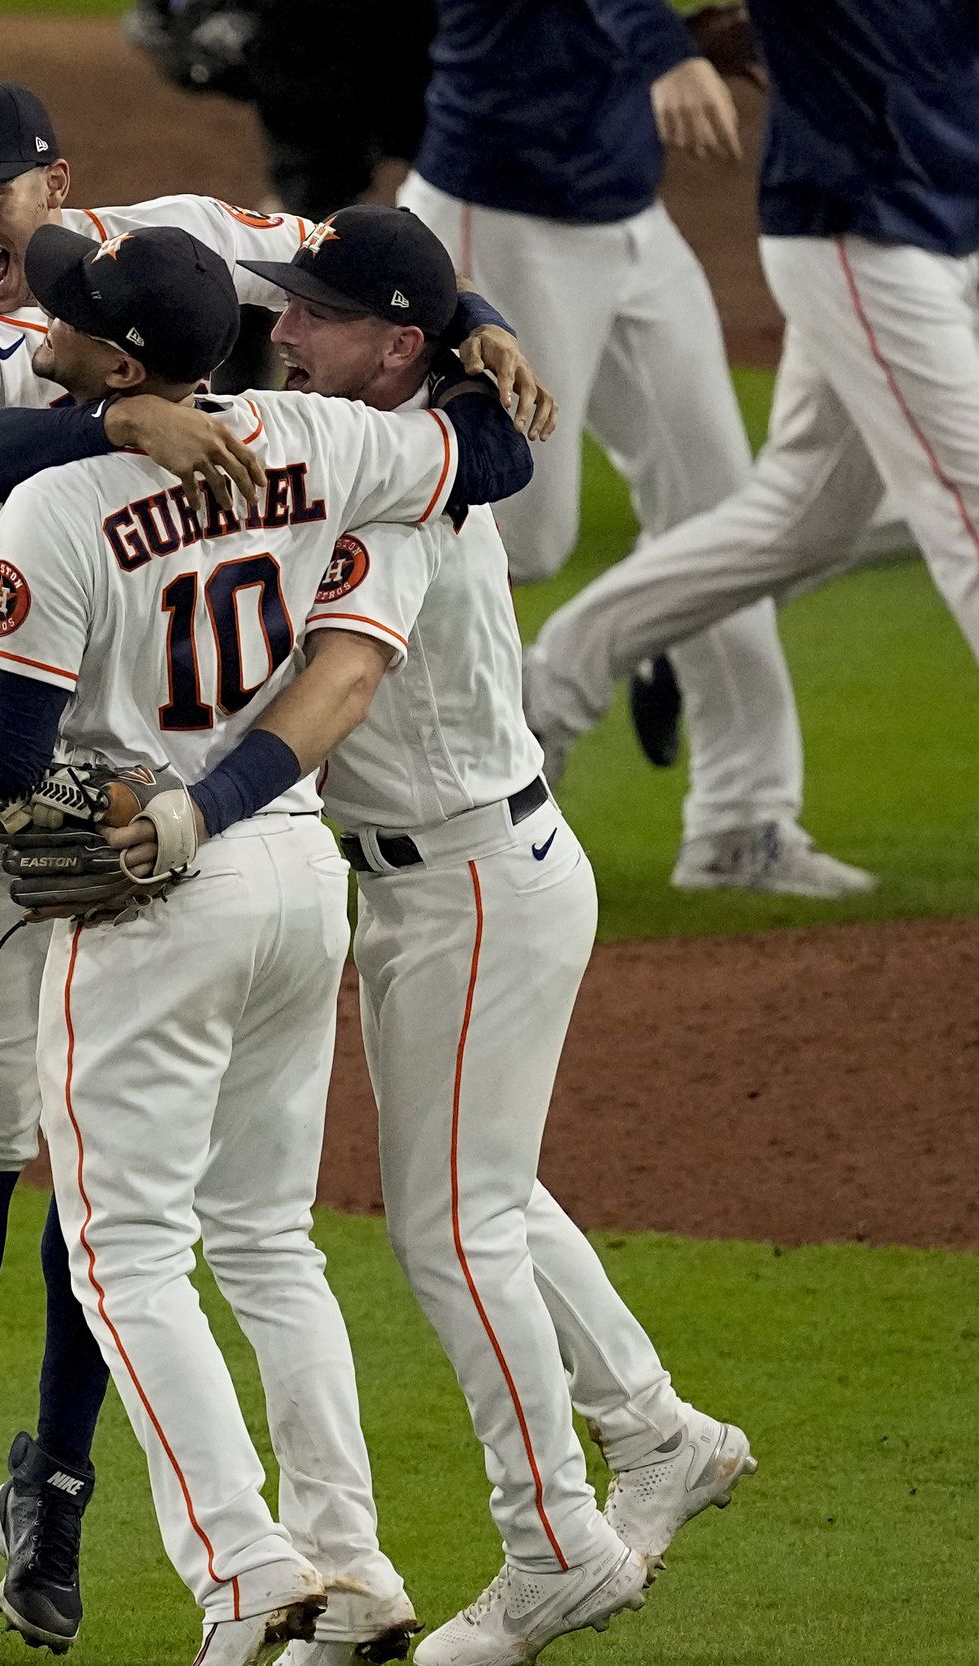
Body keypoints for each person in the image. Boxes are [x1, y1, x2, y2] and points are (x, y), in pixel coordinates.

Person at [0, 79, 550, 1655]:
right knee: (1, 1125)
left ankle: (89, 1489)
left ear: (63, 189)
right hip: (205, 787)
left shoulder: (166, 264)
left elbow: (356, 260)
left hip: (42, 755)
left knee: (124, 1205)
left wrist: (471, 316)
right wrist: (128, 416)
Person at [200, 206, 749, 1666]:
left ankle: (555, 1541)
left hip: (467, 884)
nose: (285, 331)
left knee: (453, 1227)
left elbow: (338, 693)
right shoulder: (402, 431)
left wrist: (202, 810)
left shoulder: (405, 494)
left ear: (395, 345)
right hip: (466, 874)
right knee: (484, 1193)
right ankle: (658, 1430)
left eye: (315, 318)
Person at [397, 0, 870, 898]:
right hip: (498, 221)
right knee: (520, 538)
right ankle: (382, 772)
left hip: (630, 216)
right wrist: (662, 53)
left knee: (726, 516)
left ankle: (742, 819)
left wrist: (685, 40)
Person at [525, 0, 979, 806]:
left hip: (958, 211)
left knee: (804, 517)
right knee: (968, 511)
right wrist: (666, 52)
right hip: (864, 230)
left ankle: (561, 674)